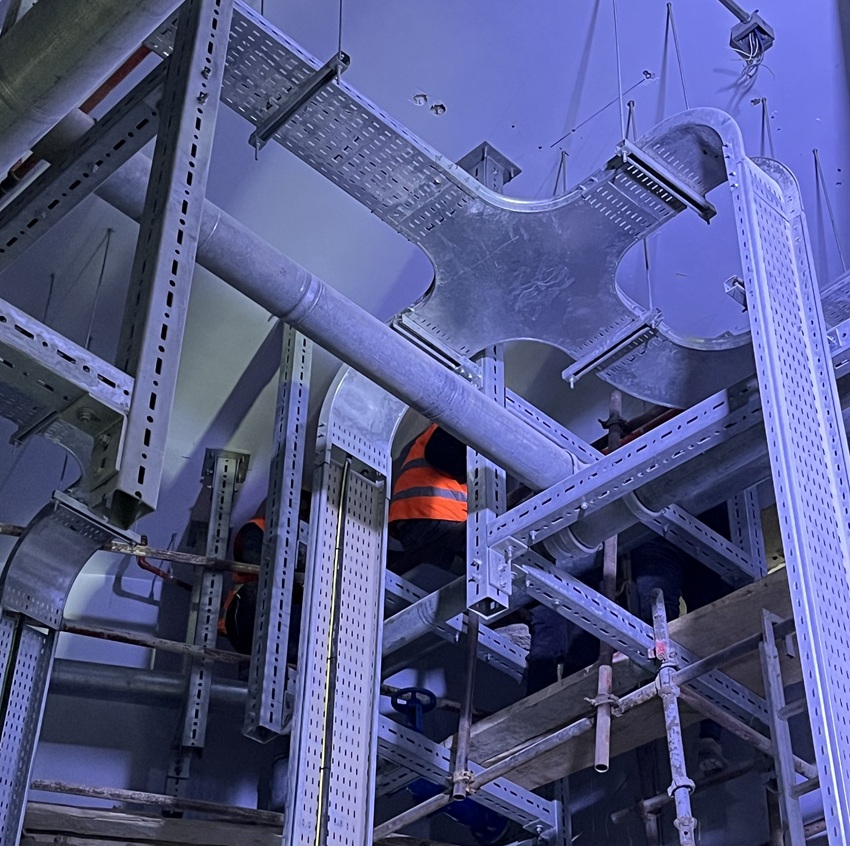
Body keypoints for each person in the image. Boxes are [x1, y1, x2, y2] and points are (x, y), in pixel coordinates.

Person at [388, 423, 468, 575]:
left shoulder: (437, 426)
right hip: (436, 515)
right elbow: (438, 453)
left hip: (413, 525)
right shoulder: (466, 420)